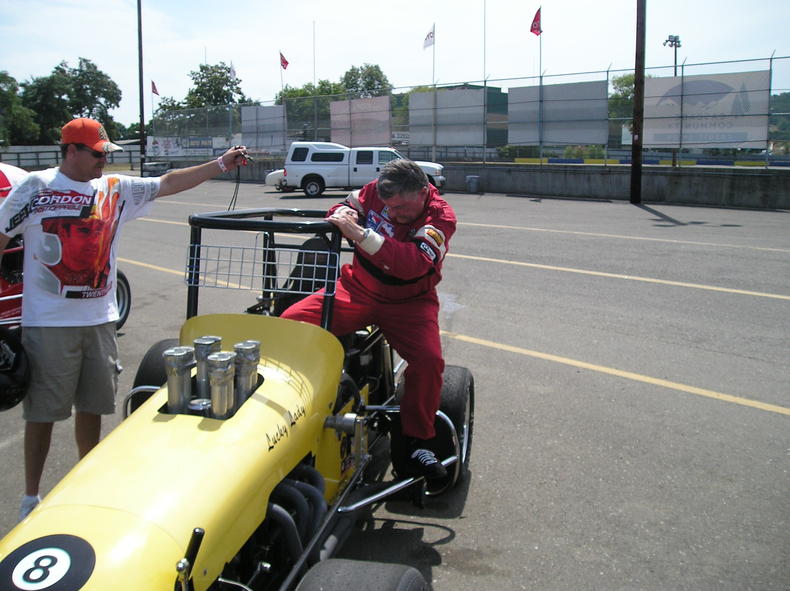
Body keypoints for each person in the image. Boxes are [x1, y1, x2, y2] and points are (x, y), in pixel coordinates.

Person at [0, 117, 249, 521]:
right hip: (48, 324)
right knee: (43, 412)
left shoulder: (113, 188)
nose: (104, 160)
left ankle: (87, 484)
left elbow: (168, 182)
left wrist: (220, 164)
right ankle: (31, 497)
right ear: (71, 151)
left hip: (100, 321)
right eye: (97, 154)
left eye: (106, 154)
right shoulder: (35, 188)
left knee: (93, 407)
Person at [281, 159, 457, 480]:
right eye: (389, 207)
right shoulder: (374, 191)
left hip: (410, 302)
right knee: (290, 322)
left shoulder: (440, 217)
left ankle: (417, 441)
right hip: (358, 287)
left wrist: (360, 235)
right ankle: (296, 405)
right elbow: (344, 206)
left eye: (401, 208)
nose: (394, 214)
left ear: (423, 192)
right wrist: (343, 213)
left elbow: (412, 263)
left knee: (429, 362)